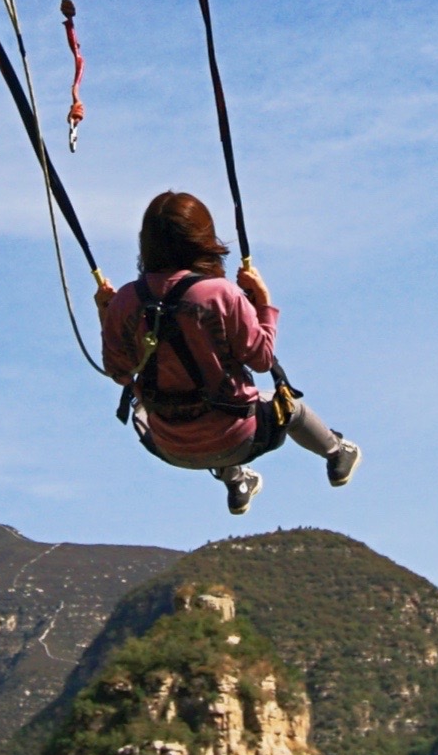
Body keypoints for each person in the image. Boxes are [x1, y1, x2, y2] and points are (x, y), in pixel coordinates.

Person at [96, 190, 360, 516]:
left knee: (165, 405)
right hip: (238, 437)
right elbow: (262, 359)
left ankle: (237, 483)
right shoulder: (220, 294)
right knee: (288, 407)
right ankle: (336, 454)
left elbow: (119, 371)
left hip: (169, 444)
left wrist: (105, 315)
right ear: (203, 240)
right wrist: (262, 302)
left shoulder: (125, 301)